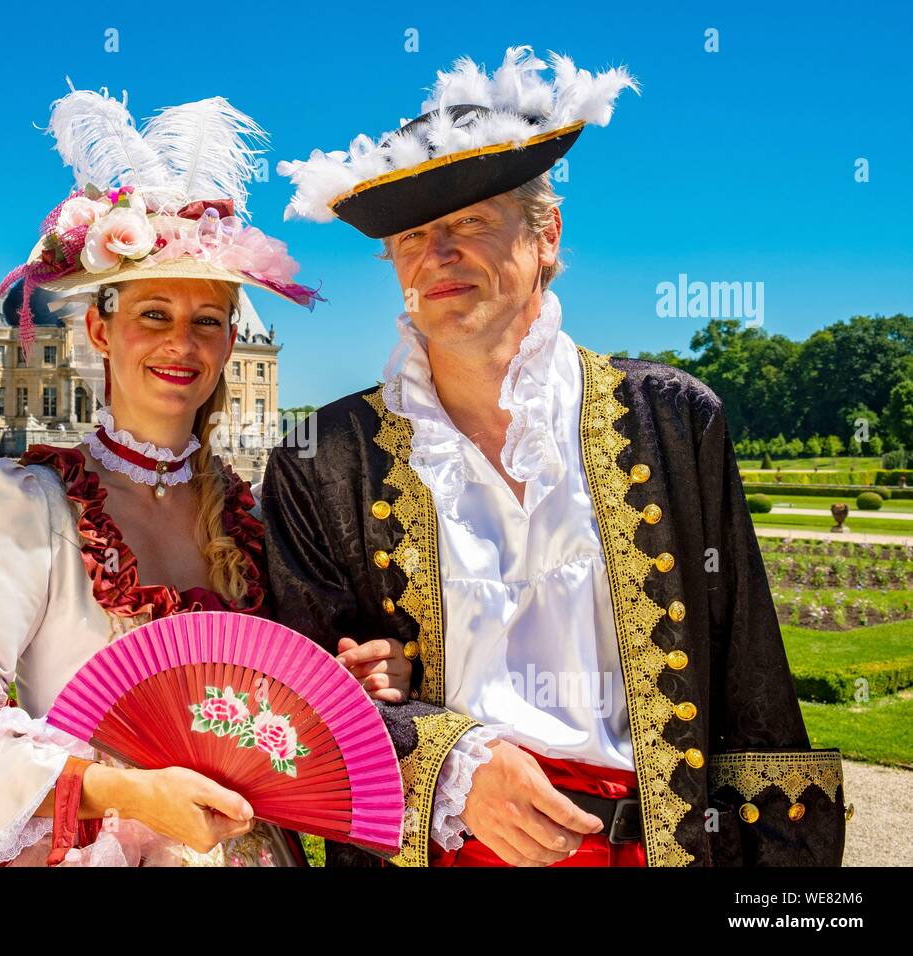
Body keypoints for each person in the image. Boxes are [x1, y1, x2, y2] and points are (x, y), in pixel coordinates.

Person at [265, 45, 847, 868]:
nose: (439, 253)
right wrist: (450, 765)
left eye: (471, 222)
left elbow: (751, 689)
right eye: (415, 235)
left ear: (547, 235)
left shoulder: (675, 420)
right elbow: (300, 699)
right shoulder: (321, 456)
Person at [0, 82, 323, 867]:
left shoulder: (251, 514)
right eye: (153, 314)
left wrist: (346, 675)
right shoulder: (29, 508)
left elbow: (276, 708)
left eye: (208, 323)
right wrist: (122, 793)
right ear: (99, 327)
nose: (180, 345)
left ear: (231, 345)